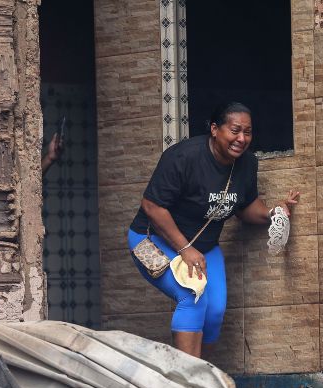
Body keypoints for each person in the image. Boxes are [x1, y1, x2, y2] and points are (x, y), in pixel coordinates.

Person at [128, 101, 300, 359]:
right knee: (192, 294)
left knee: (215, 309)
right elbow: (152, 206)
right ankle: (187, 384)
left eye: (248, 132)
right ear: (214, 129)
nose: (241, 139)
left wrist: (274, 213)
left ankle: (203, 379)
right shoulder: (183, 157)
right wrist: (185, 249)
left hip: (203, 247)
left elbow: (245, 207)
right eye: (234, 130)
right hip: (154, 239)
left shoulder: (247, 164)